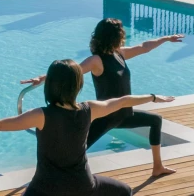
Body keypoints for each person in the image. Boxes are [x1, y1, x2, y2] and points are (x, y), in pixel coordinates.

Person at [0, 59, 175, 196]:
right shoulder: (89, 109)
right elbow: (122, 101)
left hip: (44, 190)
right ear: (77, 85)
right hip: (83, 186)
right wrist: (153, 96)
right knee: (125, 192)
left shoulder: (41, 116)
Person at [20, 19, 183, 176]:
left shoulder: (119, 54)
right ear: (113, 36)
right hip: (105, 116)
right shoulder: (96, 60)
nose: (123, 36)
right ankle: (49, 176)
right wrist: (42, 78)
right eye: (120, 33)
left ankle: (158, 167)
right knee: (76, 149)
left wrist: (166, 39)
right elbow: (69, 72)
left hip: (124, 114)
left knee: (155, 120)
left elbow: (143, 47)